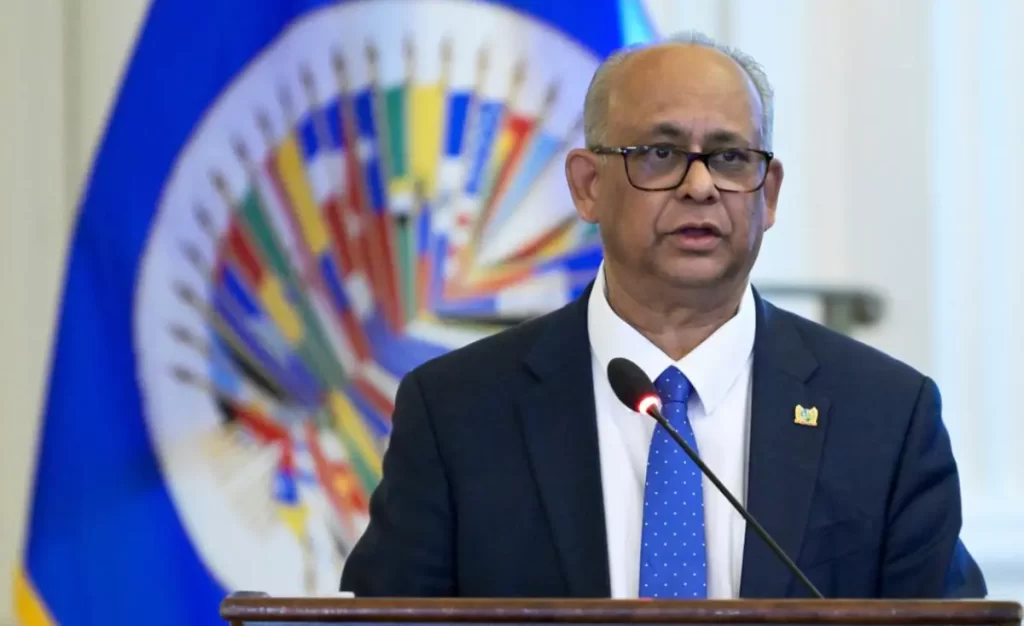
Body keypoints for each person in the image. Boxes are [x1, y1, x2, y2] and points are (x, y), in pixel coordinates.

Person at [339, 32, 986, 599]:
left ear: (768, 194)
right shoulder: (457, 413)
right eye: (661, 153)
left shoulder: (884, 416)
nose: (700, 186)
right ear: (588, 185)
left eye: (730, 158)